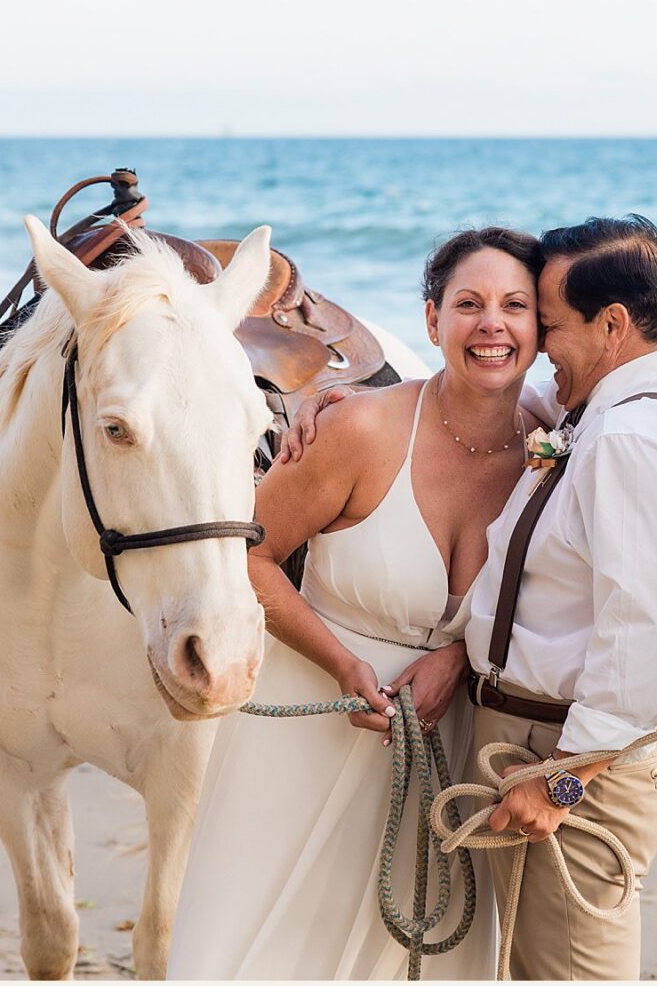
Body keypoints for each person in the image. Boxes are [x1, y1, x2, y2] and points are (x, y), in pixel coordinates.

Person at [287, 216, 657, 980]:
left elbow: (649, 634)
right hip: (544, 751)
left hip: (568, 762)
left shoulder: (631, 440)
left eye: (547, 323)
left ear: (613, 325)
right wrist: (329, 394)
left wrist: (562, 783)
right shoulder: (605, 419)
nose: (540, 346)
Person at [167, 227, 549, 980]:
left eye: (516, 305)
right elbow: (251, 557)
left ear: (542, 328)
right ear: (433, 321)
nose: (492, 324)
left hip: (452, 743)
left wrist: (455, 657)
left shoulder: (550, 445)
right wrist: (343, 663)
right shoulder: (359, 430)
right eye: (468, 304)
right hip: (312, 725)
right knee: (266, 949)